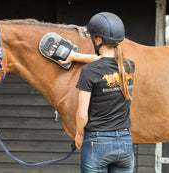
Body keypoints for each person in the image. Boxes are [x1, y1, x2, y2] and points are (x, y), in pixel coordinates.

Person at [57, 12, 135, 173]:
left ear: (98, 40)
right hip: (125, 143)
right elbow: (108, 61)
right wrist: (76, 56)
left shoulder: (89, 72)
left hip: (97, 143)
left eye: (92, 37)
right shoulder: (129, 66)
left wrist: (79, 134)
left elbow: (82, 115)